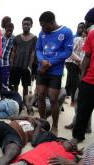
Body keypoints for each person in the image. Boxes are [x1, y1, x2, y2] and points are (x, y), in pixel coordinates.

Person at [36, 11, 73, 135]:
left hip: (55, 71)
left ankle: (55, 126)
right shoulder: (42, 34)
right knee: (40, 96)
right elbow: (38, 50)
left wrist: (50, 63)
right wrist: (42, 60)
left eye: (44, 25)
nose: (42, 28)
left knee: (53, 99)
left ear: (51, 23)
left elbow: (67, 52)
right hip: (42, 69)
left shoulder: (66, 32)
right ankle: (42, 121)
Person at [72, 7, 94, 143]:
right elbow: (87, 57)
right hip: (90, 80)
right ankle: (77, 137)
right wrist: (82, 78)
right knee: (82, 111)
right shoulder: (92, 34)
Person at [9, 17, 37, 99]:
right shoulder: (16, 38)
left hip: (26, 66)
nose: (26, 26)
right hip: (16, 65)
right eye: (24, 24)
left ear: (31, 25)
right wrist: (12, 63)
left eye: (28, 24)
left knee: (25, 86)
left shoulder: (34, 38)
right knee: (15, 85)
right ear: (22, 25)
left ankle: (25, 102)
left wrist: (30, 66)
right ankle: (16, 100)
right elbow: (13, 51)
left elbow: (33, 52)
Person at [65, 22, 86, 106]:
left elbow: (84, 54)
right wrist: (80, 60)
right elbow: (71, 52)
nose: (80, 29)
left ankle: (66, 95)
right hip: (71, 61)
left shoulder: (86, 40)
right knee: (75, 81)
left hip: (78, 63)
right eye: (79, 27)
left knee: (73, 80)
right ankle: (73, 100)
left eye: (82, 28)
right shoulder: (77, 39)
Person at [0, 22, 14, 100]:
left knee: (5, 84)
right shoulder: (0, 38)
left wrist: (12, 62)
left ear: (12, 30)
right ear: (5, 29)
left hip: (6, 64)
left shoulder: (14, 39)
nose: (9, 32)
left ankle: (3, 99)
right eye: (8, 30)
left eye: (11, 31)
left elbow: (13, 51)